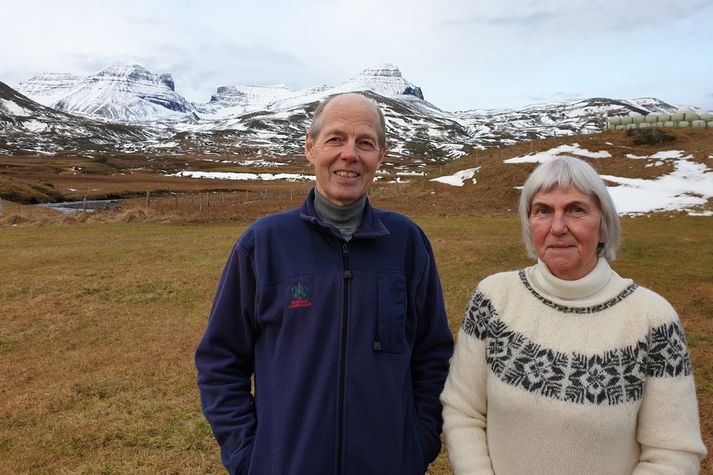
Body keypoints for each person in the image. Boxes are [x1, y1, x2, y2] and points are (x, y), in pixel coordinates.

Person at [195, 92, 454, 475]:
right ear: (311, 148)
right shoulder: (264, 243)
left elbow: (433, 357)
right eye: (335, 139)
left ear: (380, 155)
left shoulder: (407, 243)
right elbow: (220, 360)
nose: (349, 154)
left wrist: (418, 443)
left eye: (364, 142)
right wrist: (251, 455)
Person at [440, 156, 707, 474]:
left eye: (576, 210)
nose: (557, 227)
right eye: (543, 211)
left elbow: (672, 453)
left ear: (604, 226)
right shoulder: (493, 300)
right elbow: (463, 412)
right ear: (529, 225)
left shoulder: (653, 320)